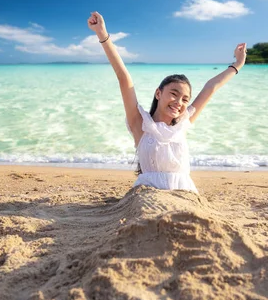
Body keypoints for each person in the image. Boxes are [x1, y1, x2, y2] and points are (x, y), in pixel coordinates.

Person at [87, 11, 246, 192]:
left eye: (185, 99)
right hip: (146, 195)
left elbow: (211, 87)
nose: (179, 102)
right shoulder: (140, 124)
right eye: (174, 94)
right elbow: (124, 78)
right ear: (158, 93)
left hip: (184, 193)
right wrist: (102, 34)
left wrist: (238, 64)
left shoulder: (183, 123)